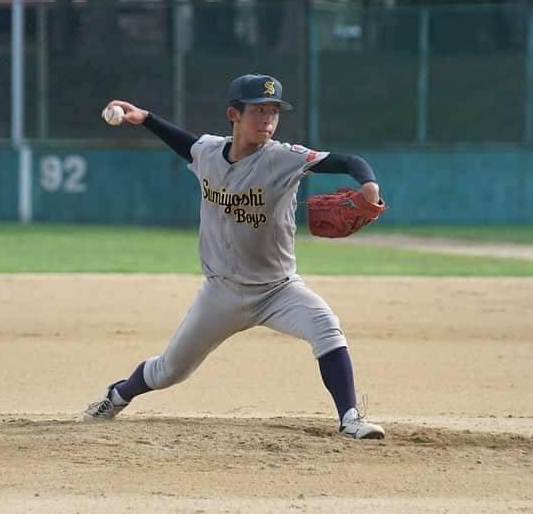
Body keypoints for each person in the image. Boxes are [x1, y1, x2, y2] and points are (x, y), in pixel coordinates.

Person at [84, 74, 385, 440]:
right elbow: (186, 144)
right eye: (259, 110)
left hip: (278, 291)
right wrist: (144, 118)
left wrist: (368, 184)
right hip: (221, 293)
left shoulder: (284, 158)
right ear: (234, 114)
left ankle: (349, 418)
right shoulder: (209, 152)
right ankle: (117, 396)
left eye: (274, 111)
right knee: (169, 370)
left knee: (326, 326)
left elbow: (348, 160)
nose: (268, 120)